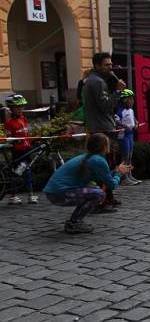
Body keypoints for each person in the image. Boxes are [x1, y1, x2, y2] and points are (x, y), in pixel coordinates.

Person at [44, 133, 130, 234]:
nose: (109, 145)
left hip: (53, 192)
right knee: (99, 194)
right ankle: (74, 223)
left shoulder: (90, 157)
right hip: (58, 194)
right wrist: (119, 174)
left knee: (94, 189)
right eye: (107, 143)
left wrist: (116, 172)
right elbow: (111, 185)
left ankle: (74, 222)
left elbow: (105, 179)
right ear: (102, 146)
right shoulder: (98, 160)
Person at [83, 52, 122, 208]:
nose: (110, 68)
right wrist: (118, 91)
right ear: (97, 66)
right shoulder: (97, 82)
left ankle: (108, 196)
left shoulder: (93, 80)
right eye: (107, 65)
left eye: (111, 64)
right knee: (105, 165)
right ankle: (103, 199)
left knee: (105, 165)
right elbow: (106, 106)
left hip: (98, 126)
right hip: (102, 129)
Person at [4, 94, 37, 204]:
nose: (20, 109)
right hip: (18, 151)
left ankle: (31, 195)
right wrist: (14, 140)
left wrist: (32, 140)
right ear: (11, 109)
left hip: (27, 148)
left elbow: (26, 133)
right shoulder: (9, 123)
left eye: (22, 107)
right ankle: (13, 196)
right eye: (17, 107)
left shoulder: (23, 118)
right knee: (18, 172)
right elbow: (8, 137)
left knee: (28, 171)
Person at [115, 89, 141, 186]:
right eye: (130, 99)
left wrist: (137, 123)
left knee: (129, 156)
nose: (133, 101)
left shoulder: (131, 110)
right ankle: (123, 177)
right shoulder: (120, 111)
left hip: (131, 135)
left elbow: (134, 119)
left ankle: (129, 175)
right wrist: (124, 126)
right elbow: (116, 122)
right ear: (125, 100)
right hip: (123, 136)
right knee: (125, 157)